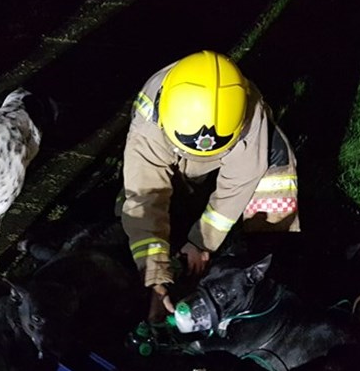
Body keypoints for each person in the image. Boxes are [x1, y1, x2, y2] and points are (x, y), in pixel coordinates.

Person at [119, 50, 300, 322]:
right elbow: (145, 196)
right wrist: (155, 275)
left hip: (236, 146)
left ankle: (272, 255)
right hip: (165, 146)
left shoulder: (251, 116)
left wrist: (201, 241)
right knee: (138, 206)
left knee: (277, 174)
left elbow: (238, 182)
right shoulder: (148, 128)